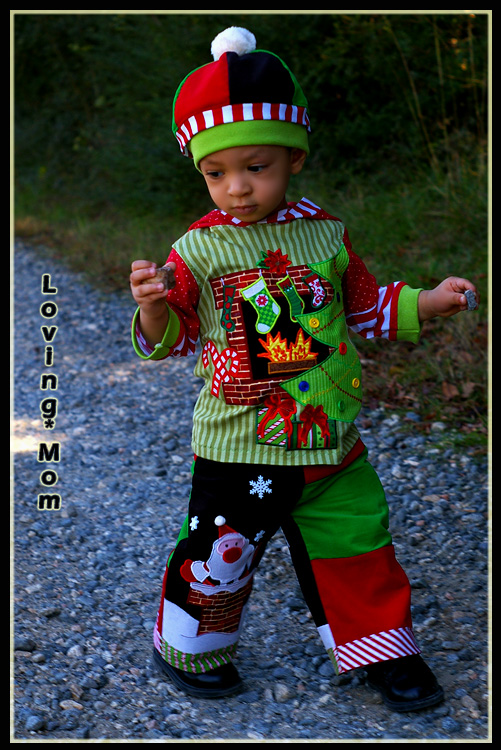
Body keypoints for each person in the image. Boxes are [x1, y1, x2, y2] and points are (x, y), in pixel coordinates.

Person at [129, 27, 478, 712]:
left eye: (256, 166)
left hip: (331, 435)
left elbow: (364, 306)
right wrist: (152, 308)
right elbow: (174, 338)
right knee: (221, 550)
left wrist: (429, 302)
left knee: (358, 542)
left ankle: (383, 648)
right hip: (241, 445)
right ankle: (192, 647)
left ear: (294, 156)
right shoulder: (196, 251)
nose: (236, 187)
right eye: (215, 173)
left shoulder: (326, 232)